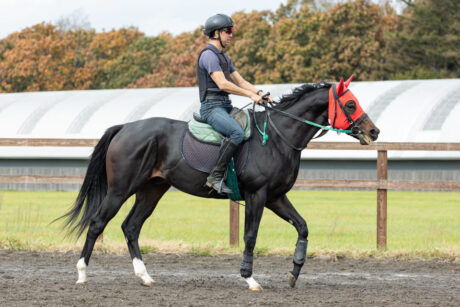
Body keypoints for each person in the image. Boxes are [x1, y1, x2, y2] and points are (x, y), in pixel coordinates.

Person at [197, 13, 273, 194]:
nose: (231, 34)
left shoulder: (224, 57)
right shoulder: (208, 56)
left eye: (231, 31)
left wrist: (260, 93)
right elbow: (222, 84)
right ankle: (215, 177)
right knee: (236, 132)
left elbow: (241, 81)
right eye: (228, 31)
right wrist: (249, 96)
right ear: (216, 33)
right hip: (211, 108)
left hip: (225, 106)